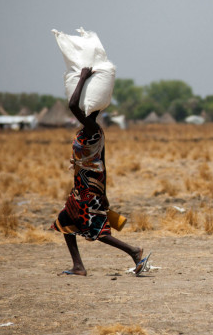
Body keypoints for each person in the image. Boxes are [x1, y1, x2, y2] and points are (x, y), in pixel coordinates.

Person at [52, 67, 150, 276]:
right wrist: (104, 194)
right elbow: (102, 162)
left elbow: (72, 104)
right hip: (83, 185)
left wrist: (83, 78)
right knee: (66, 220)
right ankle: (78, 266)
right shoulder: (91, 130)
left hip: (89, 187)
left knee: (97, 229)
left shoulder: (92, 129)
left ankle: (133, 251)